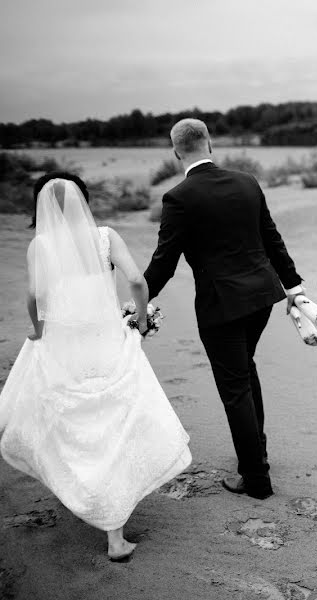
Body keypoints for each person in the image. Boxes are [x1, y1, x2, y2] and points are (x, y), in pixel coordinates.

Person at [0, 172, 192, 561]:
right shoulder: (105, 237)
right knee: (114, 422)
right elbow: (137, 280)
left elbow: (35, 296)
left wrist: (39, 332)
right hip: (106, 341)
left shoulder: (40, 246)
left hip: (63, 344)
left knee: (72, 423)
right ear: (84, 200)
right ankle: (114, 534)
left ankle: (83, 493)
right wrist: (139, 319)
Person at [144, 119, 304, 500]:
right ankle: (257, 455)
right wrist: (294, 285)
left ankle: (256, 479)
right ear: (210, 144)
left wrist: (138, 303)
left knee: (235, 388)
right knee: (244, 372)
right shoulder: (247, 182)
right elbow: (271, 237)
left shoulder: (178, 198)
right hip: (263, 297)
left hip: (222, 307)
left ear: (176, 152)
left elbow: (164, 262)